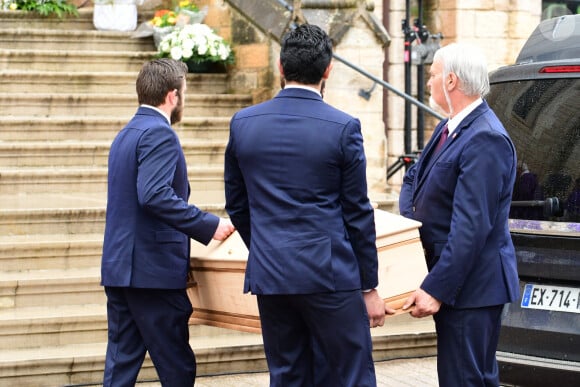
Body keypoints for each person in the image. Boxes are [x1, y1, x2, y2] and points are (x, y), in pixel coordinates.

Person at [224, 24, 393, 387]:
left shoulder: (242, 123)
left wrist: (268, 245)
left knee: (287, 376)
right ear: (328, 69)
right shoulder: (343, 127)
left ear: (281, 67)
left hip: (271, 273)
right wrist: (369, 286)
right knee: (351, 376)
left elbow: (236, 205)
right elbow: (357, 212)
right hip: (328, 274)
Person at [100, 58, 235, 387]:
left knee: (121, 364)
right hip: (152, 273)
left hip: (121, 269)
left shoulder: (125, 134)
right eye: (184, 92)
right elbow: (154, 195)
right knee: (176, 366)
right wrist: (208, 225)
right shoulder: (160, 134)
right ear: (173, 95)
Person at [399, 43, 520, 386]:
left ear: (451, 80)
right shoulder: (448, 126)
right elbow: (414, 177)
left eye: (433, 75)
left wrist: (436, 289)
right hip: (455, 280)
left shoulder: (486, 138)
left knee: (466, 380)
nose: (429, 83)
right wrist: (410, 223)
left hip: (473, 289)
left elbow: (471, 228)